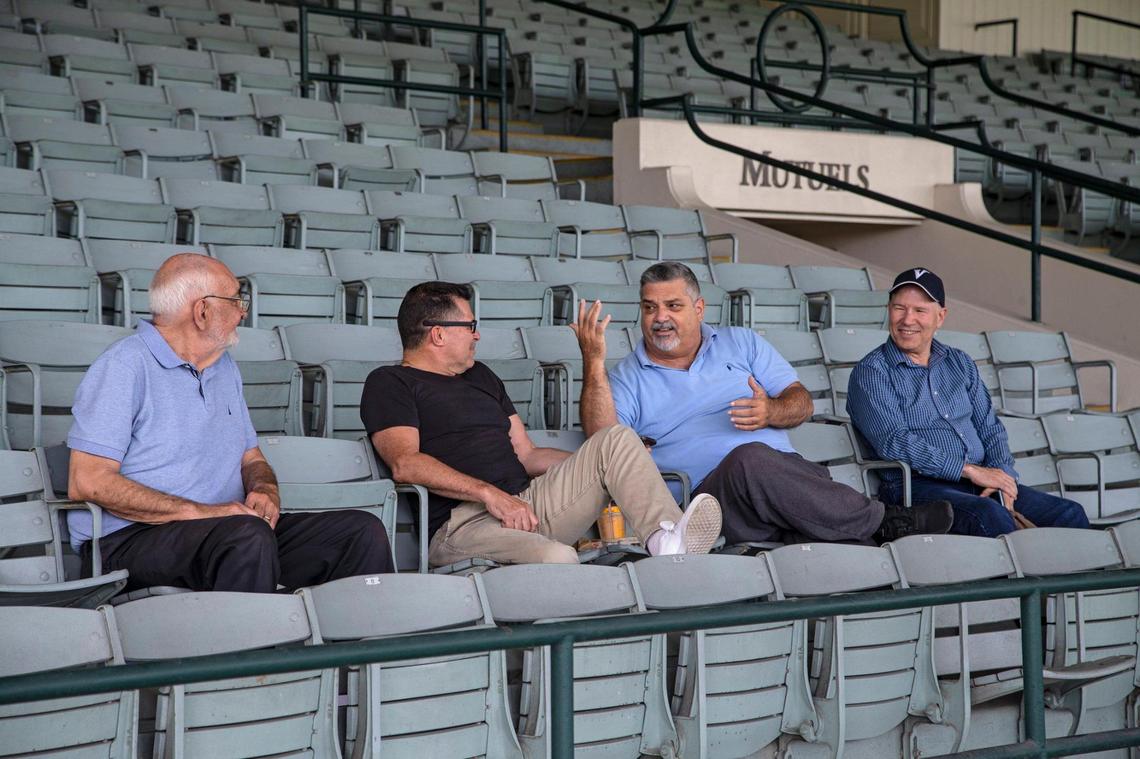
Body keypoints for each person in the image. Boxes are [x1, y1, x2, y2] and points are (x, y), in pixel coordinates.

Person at [67, 253, 394, 593]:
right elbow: (87, 481)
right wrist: (200, 512)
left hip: (224, 531)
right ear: (202, 311)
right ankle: (259, 644)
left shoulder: (224, 367)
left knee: (359, 531)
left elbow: (251, 457)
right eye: (236, 299)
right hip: (129, 539)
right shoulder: (124, 366)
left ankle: (358, 642)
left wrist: (264, 489)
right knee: (245, 537)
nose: (243, 311)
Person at [575, 261, 954, 546]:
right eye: (649, 308)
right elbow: (602, 442)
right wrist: (593, 362)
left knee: (849, 548)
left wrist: (771, 411)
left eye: (673, 306)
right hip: (708, 503)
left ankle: (867, 544)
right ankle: (884, 520)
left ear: (699, 309)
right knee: (748, 459)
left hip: (786, 481)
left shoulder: (741, 343)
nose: (660, 319)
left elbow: (801, 403)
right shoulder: (626, 376)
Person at [360, 281, 722, 567]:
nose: (477, 335)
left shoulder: (480, 376)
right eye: (470, 326)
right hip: (463, 525)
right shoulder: (390, 383)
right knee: (559, 558)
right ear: (438, 333)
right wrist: (490, 495)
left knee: (617, 439)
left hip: (529, 506)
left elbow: (528, 455)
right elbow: (404, 463)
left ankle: (667, 542)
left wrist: (612, 465)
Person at [847, 267, 1090, 537]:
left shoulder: (959, 362)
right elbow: (894, 442)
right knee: (989, 515)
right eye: (899, 308)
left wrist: (1002, 477)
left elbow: (990, 427)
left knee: (1070, 514)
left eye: (920, 310)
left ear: (940, 317)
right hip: (915, 487)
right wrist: (969, 471)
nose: (907, 319)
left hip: (978, 481)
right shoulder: (871, 372)